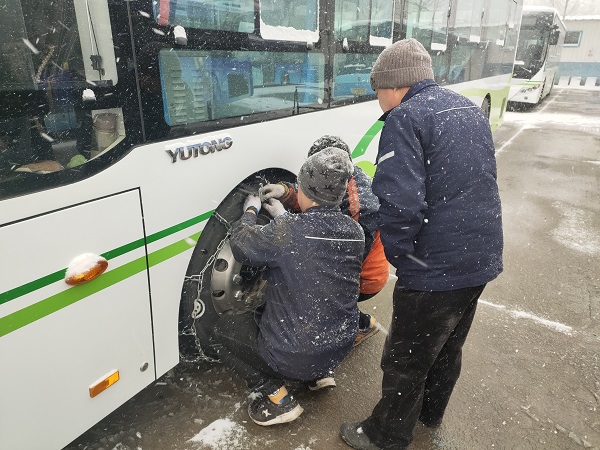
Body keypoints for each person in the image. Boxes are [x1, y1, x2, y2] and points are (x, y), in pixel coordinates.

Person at [340, 38, 503, 450]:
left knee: (406, 356)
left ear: (394, 84)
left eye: (377, 90)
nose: (378, 100)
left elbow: (400, 204)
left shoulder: (405, 118)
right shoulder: (467, 109)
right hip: (480, 256)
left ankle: (385, 435)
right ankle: (430, 413)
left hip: (435, 266)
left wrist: (403, 256)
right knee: (448, 344)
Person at [213, 147, 365, 426]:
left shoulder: (289, 232)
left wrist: (250, 210)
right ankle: (319, 375)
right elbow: (313, 248)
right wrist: (283, 218)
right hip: (339, 346)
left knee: (223, 329)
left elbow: (242, 243)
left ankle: (277, 397)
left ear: (304, 190)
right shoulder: (355, 232)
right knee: (313, 295)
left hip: (295, 355)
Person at [260, 136, 389, 346]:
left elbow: (335, 261)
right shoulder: (339, 177)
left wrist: (286, 222)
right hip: (353, 269)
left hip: (364, 279)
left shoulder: (361, 210)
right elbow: (314, 195)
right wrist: (286, 192)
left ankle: (356, 325)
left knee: (309, 289)